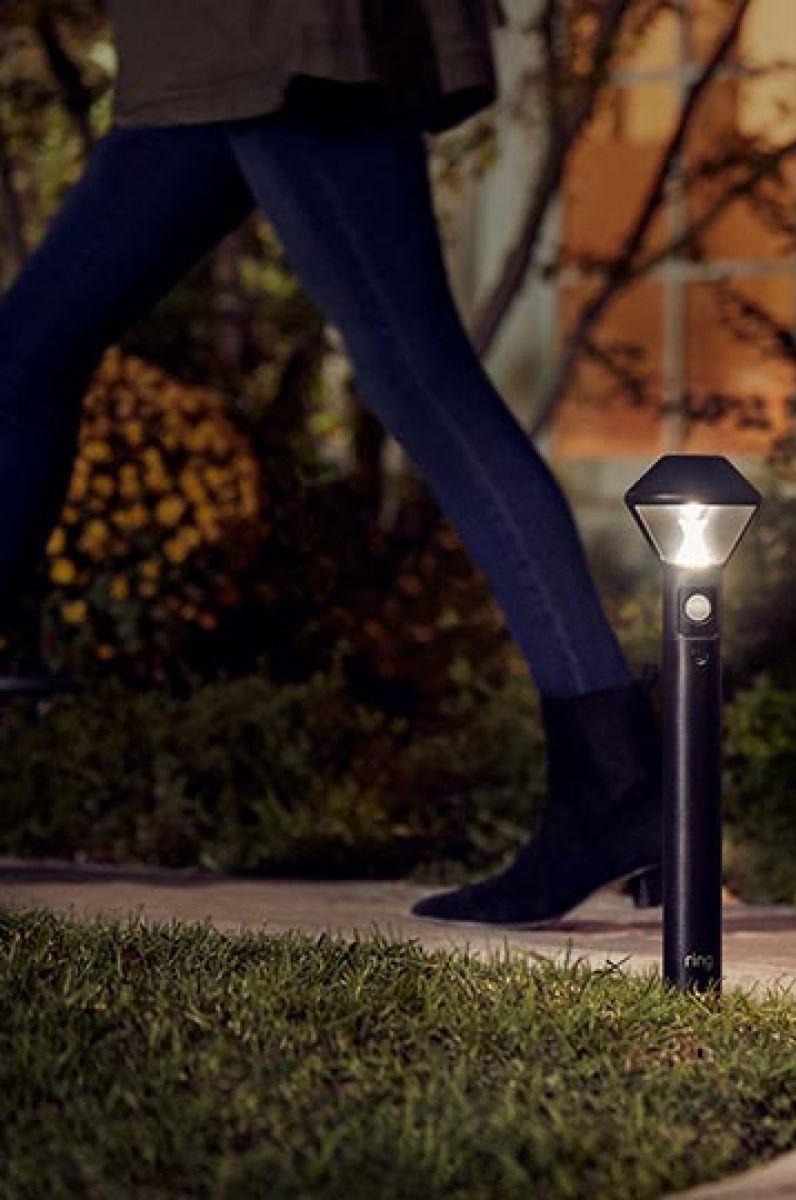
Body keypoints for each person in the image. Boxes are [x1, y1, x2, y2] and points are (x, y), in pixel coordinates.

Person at [0, 2, 660, 927]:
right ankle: (623, 786)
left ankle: (620, 783)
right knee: (26, 359)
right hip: (208, 55)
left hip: (277, 45)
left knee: (422, 382)